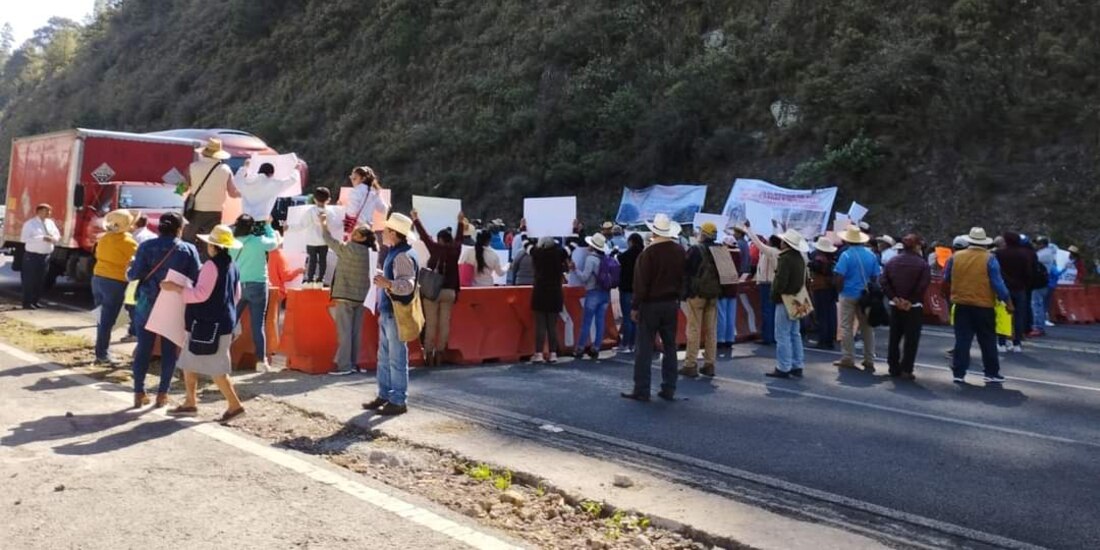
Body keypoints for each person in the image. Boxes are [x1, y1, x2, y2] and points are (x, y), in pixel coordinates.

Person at [162, 224, 246, 422]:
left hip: (206, 324)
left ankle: (234, 406)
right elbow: (236, 295)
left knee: (217, 370)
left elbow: (200, 294)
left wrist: (176, 288)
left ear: (212, 246)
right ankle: (190, 402)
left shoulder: (210, 266)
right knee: (189, 363)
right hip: (222, 322)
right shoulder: (232, 265)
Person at [128, 212, 202, 409]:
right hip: (173, 304)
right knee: (170, 351)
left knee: (143, 349)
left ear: (159, 227)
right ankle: (162, 394)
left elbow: (133, 275)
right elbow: (196, 277)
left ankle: (139, 392)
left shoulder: (146, 246)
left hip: (146, 303)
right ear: (179, 228)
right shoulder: (188, 249)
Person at [621, 214, 684, 402]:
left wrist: (635, 306)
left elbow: (641, 284)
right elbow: (684, 278)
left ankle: (642, 388)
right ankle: (669, 387)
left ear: (654, 232)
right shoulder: (680, 251)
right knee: (670, 346)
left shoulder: (648, 253)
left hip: (650, 304)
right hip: (671, 303)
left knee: (645, 348)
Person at [364, 213, 418, 416]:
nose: (383, 232)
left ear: (394, 233)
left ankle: (397, 399)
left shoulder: (401, 255)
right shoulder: (398, 252)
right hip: (390, 312)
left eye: (386, 230)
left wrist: (387, 283)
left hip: (395, 312)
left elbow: (407, 285)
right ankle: (386, 395)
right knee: (386, 358)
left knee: (395, 358)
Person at [943, 227, 1012, 384]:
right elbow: (997, 283)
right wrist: (1007, 301)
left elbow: (946, 279)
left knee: (962, 340)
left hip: (961, 303)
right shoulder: (989, 258)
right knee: (987, 339)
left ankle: (959, 372)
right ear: (985, 243)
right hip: (983, 304)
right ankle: (991, 372)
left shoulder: (955, 257)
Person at [320, 213, 376, 376]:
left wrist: (323, 224)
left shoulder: (348, 248)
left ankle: (344, 366)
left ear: (362, 238)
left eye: (357, 233)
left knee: (344, 332)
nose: (353, 234)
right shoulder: (371, 252)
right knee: (355, 332)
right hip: (362, 297)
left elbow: (329, 240)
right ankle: (353, 363)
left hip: (345, 295)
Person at [413, 210, 465, 367]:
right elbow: (460, 238)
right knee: (444, 324)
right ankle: (439, 354)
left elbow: (424, 236)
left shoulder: (435, 248)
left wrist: (416, 219)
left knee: (430, 323)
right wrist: (460, 222)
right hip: (449, 291)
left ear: (440, 239)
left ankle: (428, 354)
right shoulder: (456, 250)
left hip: (432, 291)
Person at [231, 214, 278, 372]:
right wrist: (268, 226)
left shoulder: (232, 242)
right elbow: (274, 243)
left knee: (230, 323)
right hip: (258, 284)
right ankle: (260, 361)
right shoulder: (259, 241)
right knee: (258, 326)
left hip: (237, 285)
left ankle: (220, 357)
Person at [881, 234, 931, 379]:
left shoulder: (893, 261)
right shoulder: (922, 264)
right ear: (916, 246)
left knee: (894, 337)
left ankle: (893, 366)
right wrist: (910, 300)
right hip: (913, 306)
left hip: (895, 304)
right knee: (911, 339)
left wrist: (895, 298)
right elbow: (923, 285)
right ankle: (906, 369)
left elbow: (884, 281)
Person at [92, 210, 139, 365]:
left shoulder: (104, 238)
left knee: (101, 317)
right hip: (115, 281)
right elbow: (137, 261)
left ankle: (101, 350)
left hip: (98, 277)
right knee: (108, 319)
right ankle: (102, 354)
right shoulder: (129, 242)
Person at [832, 225, 881, 372]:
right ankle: (869, 359)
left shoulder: (846, 255)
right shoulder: (871, 255)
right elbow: (875, 276)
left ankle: (848, 357)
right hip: (865, 295)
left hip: (848, 293)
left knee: (847, 326)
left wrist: (839, 289)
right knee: (867, 327)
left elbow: (839, 275)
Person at [183, 139, 237, 259]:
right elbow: (233, 193)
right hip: (215, 212)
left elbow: (182, 188)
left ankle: (186, 266)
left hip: (194, 210)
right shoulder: (225, 170)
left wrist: (176, 183)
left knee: (188, 240)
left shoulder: (193, 167)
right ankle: (208, 268)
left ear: (204, 152)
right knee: (210, 244)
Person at [766, 229, 810, 378]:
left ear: (786, 243)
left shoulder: (785, 258)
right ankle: (797, 364)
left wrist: (774, 294)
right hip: (797, 297)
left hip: (785, 298)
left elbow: (780, 282)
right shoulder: (799, 257)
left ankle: (783, 366)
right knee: (794, 334)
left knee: (782, 334)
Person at [681, 222, 722, 378]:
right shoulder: (720, 250)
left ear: (703, 234)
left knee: (694, 329)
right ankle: (710, 364)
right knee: (711, 330)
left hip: (697, 294)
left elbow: (686, 271)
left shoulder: (695, 250)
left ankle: (690, 364)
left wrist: (684, 293)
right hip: (713, 294)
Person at [265, 221, 304, 362]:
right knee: (273, 320)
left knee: (269, 320)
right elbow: (286, 276)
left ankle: (270, 348)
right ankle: (272, 348)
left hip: (269, 289)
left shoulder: (270, 253)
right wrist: (299, 270)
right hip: (277, 292)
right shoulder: (278, 254)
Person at [572, 233, 613, 360]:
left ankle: (580, 348)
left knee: (587, 322)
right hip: (605, 293)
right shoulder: (605, 258)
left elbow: (584, 277)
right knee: (600, 321)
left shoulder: (591, 259)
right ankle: (596, 348)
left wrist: (575, 269)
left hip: (593, 292)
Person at [737, 224, 779, 345]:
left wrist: (749, 229)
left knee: (767, 311)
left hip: (767, 283)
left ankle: (768, 337)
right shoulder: (776, 252)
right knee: (771, 310)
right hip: (771, 282)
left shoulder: (770, 251)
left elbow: (757, 243)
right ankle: (772, 336)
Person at [993, 232, 1033, 353]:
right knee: (1018, 316)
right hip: (1020, 288)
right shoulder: (1024, 254)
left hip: (1004, 287)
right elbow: (1028, 272)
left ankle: (1001, 342)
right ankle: (1017, 343)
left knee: (1002, 315)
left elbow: (995, 270)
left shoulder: (999, 254)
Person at [530, 237, 566, 363]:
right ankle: (553, 353)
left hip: (540, 293)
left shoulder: (537, 254)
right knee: (552, 326)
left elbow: (526, 245)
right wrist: (576, 231)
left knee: (540, 325)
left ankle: (539, 353)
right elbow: (572, 245)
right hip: (555, 293)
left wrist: (524, 229)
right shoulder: (560, 254)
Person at [19, 203, 61, 310]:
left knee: (40, 280)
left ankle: (35, 301)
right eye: (46, 211)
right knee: (30, 280)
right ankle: (27, 302)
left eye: (49, 211)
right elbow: (24, 239)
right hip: (32, 256)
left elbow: (57, 235)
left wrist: (54, 239)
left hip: (45, 255)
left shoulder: (50, 223)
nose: (49, 213)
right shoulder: (30, 224)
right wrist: (42, 238)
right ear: (38, 212)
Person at [232, 160, 302, 221]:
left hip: (245, 219)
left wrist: (245, 167)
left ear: (259, 171)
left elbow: (237, 180)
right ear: (271, 174)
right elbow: (292, 180)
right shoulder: (274, 184)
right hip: (261, 220)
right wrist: (295, 169)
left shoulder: (248, 181)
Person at [808, 236, 838, 350]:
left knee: (822, 315)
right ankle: (829, 340)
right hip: (830, 288)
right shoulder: (831, 260)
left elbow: (814, 267)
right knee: (829, 315)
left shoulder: (819, 260)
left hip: (821, 288)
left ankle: (823, 340)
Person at [300, 186, 333, 288]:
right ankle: (320, 279)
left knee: (312, 260)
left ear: (314, 199)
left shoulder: (310, 211)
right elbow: (334, 225)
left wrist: (290, 227)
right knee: (323, 260)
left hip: (311, 241)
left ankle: (310, 280)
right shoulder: (330, 212)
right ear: (328, 200)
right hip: (324, 240)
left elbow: (302, 225)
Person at [616, 233, 644, 352]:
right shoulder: (644, 254)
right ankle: (635, 344)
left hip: (626, 288)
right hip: (639, 290)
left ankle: (626, 343)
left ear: (631, 241)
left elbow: (619, 259)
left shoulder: (626, 255)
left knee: (627, 317)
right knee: (637, 318)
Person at [343, 166, 390, 236]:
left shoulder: (355, 191)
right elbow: (383, 209)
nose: (352, 180)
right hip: (368, 227)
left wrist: (342, 207)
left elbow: (351, 212)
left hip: (356, 228)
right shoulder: (374, 192)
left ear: (363, 179)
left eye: (354, 178)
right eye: (351, 177)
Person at [1029, 236, 1057, 336]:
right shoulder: (1046, 253)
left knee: (1037, 305)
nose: (1036, 245)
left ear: (1043, 244)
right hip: (1043, 281)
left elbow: (1032, 261)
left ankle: (1038, 327)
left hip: (1040, 282)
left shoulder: (1044, 254)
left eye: (1038, 243)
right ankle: (1038, 326)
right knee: (1038, 304)